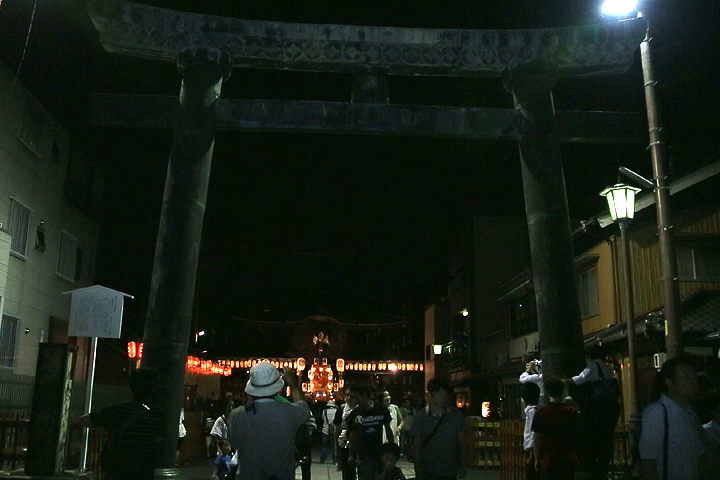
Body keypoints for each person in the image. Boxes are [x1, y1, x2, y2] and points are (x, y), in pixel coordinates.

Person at [227, 363, 310, 480]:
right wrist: (293, 382)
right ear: (278, 388)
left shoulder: (237, 415)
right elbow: (303, 406)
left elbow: (234, 443)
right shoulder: (289, 412)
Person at [80, 368, 165, 480]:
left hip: (117, 470)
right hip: (143, 471)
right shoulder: (158, 415)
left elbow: (84, 420)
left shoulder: (115, 410)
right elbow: (159, 439)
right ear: (153, 389)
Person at [639, 356, 708, 480]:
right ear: (670, 383)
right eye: (686, 377)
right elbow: (649, 462)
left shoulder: (690, 414)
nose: (693, 382)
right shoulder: (657, 413)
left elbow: (700, 457)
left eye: (694, 377)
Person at [564, 346, 620, 477]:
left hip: (599, 405)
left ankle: (596, 467)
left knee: (596, 435)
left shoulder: (594, 365)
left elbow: (580, 379)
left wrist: (564, 381)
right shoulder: (607, 367)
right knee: (606, 438)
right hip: (610, 406)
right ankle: (604, 468)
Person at [411, 378, 466, 480]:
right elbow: (417, 446)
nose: (442, 398)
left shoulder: (455, 416)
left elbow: (461, 442)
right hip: (428, 470)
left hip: (450, 470)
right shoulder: (421, 417)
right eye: (438, 394)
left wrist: (463, 464)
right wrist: (417, 469)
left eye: (445, 394)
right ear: (430, 395)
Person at [531, 376, 580, 480]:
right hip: (567, 458)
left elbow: (536, 437)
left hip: (548, 460)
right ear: (562, 391)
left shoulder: (541, 412)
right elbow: (576, 435)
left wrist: (536, 459)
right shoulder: (570, 412)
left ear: (548, 392)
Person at [348, 383, 394, 480]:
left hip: (379, 453)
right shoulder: (356, 414)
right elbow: (353, 435)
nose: (355, 400)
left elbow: (388, 429)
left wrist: (391, 449)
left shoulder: (381, 409)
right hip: (363, 455)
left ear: (365, 395)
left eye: (357, 397)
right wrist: (351, 454)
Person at [335, 388, 358, 480]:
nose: (349, 398)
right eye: (347, 396)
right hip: (344, 443)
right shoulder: (341, 409)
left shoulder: (360, 409)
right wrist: (336, 449)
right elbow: (337, 428)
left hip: (357, 443)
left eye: (352, 396)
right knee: (347, 471)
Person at [521, 383, 541, 480]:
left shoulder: (532, 411)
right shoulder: (534, 409)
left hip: (531, 450)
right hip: (531, 449)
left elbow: (533, 433)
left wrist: (532, 456)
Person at [320, 399, 339, 464]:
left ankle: (322, 459)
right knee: (334, 446)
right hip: (334, 431)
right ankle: (334, 460)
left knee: (324, 446)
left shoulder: (324, 411)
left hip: (325, 430)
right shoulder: (336, 411)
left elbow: (323, 419)